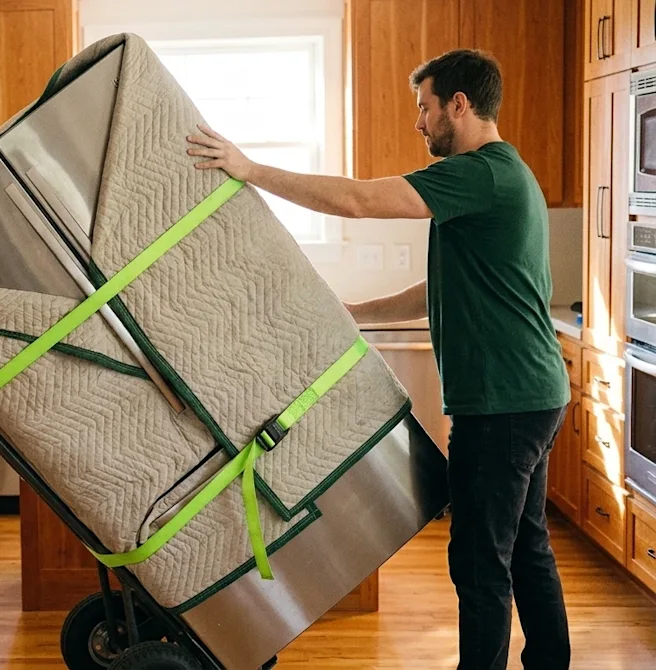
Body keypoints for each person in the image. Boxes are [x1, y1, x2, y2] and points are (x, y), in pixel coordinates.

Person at [188, 49, 571, 670]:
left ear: (459, 105)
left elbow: (361, 203)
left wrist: (249, 169)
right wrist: (355, 311)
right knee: (524, 547)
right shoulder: (505, 176)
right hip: (530, 393)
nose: (419, 124)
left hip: (503, 402)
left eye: (425, 108)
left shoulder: (480, 173)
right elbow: (441, 285)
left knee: (479, 562)